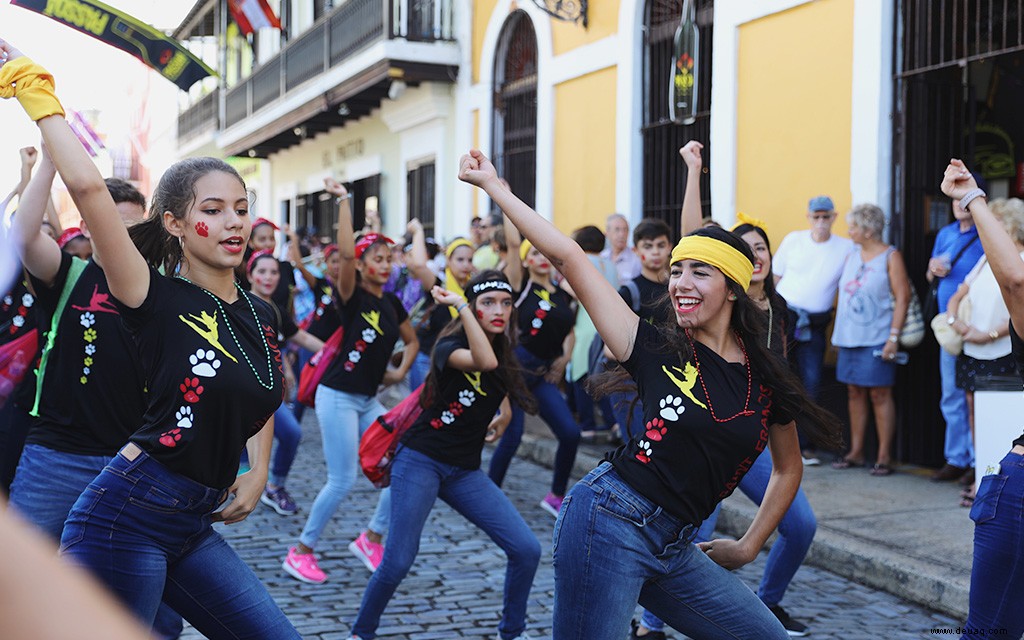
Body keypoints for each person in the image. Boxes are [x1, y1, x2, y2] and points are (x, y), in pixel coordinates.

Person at [459, 148, 841, 640]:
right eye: (677, 270)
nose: (680, 282)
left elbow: (789, 467)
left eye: (699, 272)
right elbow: (568, 256)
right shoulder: (652, 345)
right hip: (608, 519)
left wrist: (748, 545)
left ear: (732, 290)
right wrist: (496, 188)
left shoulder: (765, 376)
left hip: (676, 546)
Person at [0, 41, 299, 637]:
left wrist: (259, 471)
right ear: (176, 224)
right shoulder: (152, 297)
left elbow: (260, 395)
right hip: (125, 515)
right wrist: (42, 101)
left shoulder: (260, 313)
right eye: (214, 209)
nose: (235, 221)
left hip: (189, 522)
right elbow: (88, 190)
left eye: (242, 208)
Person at [349, 272, 541, 640]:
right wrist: (461, 307)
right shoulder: (448, 346)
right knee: (399, 559)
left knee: (526, 549)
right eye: (487, 304)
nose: (498, 310)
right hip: (421, 459)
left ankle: (512, 633)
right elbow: (484, 363)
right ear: (471, 309)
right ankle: (361, 633)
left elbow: (499, 380)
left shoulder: (503, 350)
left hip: (464, 472)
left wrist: (505, 414)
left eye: (505, 303)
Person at [283, 177, 418, 584]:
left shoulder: (392, 302)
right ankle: (301, 550)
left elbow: (412, 341)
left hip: (366, 399)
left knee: (402, 467)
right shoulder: (352, 296)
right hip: (337, 395)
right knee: (342, 479)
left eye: (389, 257)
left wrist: (398, 370)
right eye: (377, 257)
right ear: (359, 265)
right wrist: (344, 202)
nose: (385, 263)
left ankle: (370, 538)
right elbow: (343, 249)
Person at [940, 160, 1024, 640]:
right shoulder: (1014, 283)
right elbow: (1013, 280)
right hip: (1018, 494)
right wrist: (973, 198)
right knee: (992, 632)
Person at [487, 213, 580, 518]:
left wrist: (564, 358)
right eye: (535, 253)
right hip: (514, 371)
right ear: (527, 261)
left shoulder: (565, 297)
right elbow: (514, 244)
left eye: (546, 253)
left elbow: (570, 332)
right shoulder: (521, 286)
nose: (542, 258)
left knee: (570, 433)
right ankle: (489, 495)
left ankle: (556, 495)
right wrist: (503, 197)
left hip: (542, 375)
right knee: (511, 438)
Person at [946, 197, 1024, 506]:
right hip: (972, 350)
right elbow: (958, 293)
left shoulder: (1019, 261)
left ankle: (999, 483)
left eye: (997, 223)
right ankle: (983, 476)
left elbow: (1018, 313)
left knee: (1002, 418)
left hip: (1003, 351)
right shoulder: (984, 259)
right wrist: (956, 322)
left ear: (1012, 227)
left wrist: (988, 333)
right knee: (974, 412)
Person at [772, 194, 854, 464]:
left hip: (817, 324)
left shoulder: (846, 248)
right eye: (816, 216)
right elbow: (776, 277)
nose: (821, 221)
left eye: (825, 216)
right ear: (808, 218)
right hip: (786, 317)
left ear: (834, 218)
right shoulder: (794, 240)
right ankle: (771, 444)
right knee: (777, 375)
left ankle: (804, 446)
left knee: (811, 382)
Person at [830, 204, 910, 477]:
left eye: (853, 226)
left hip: (878, 336)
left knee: (879, 393)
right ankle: (856, 451)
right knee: (854, 392)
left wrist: (893, 337)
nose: (849, 231)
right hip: (849, 336)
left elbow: (903, 297)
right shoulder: (850, 254)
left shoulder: (890, 256)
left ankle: (884, 455)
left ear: (867, 230)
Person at [247, 250, 325, 514]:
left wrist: (334, 354)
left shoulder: (276, 311)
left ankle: (275, 486)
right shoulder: (238, 305)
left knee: (291, 434)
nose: (268, 278)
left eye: (274, 272)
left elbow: (301, 338)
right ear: (250, 275)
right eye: (262, 271)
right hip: (242, 391)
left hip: (268, 392)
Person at [928, 176, 986, 484]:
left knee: (974, 397)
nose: (957, 205)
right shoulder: (945, 233)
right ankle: (956, 458)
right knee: (951, 394)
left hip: (977, 325)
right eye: (953, 200)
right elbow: (930, 273)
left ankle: (978, 461)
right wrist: (933, 270)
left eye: (962, 199)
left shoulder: (986, 232)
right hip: (948, 327)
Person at [405, 218, 475, 390]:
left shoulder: (475, 290)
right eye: (460, 260)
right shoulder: (439, 286)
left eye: (470, 260)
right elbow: (420, 265)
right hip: (427, 359)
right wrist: (419, 232)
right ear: (448, 260)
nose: (466, 265)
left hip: (458, 360)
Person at [601, 213, 642, 286]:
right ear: (607, 233)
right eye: (617, 229)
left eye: (625, 230)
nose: (622, 234)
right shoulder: (601, 257)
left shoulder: (636, 259)